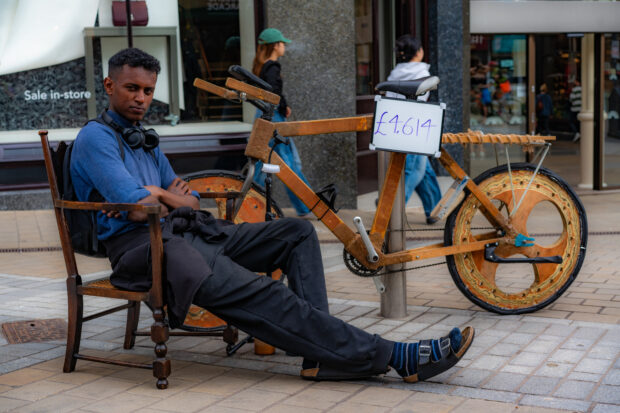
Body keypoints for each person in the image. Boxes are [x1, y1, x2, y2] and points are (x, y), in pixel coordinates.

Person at [70, 47, 474, 383]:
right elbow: (139, 209)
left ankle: (322, 355)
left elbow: (190, 202)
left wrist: (160, 195)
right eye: (132, 89)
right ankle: (392, 355)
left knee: (296, 231)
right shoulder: (95, 138)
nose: (141, 98)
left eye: (148, 90)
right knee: (268, 294)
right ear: (109, 86)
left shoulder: (146, 139)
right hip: (144, 249)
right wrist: (159, 195)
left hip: (187, 232)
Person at [251, 28, 311, 217]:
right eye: (282, 43)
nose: (284, 46)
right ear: (275, 46)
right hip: (274, 116)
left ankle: (251, 201)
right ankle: (307, 204)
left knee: (263, 161)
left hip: (263, 114)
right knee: (289, 162)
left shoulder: (263, 65)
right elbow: (274, 92)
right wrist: (284, 106)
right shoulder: (273, 66)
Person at [387, 34, 442, 224]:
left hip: (396, 124)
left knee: (424, 170)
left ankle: (434, 209)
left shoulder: (395, 73)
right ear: (418, 52)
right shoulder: (420, 72)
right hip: (414, 127)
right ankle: (389, 208)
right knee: (414, 171)